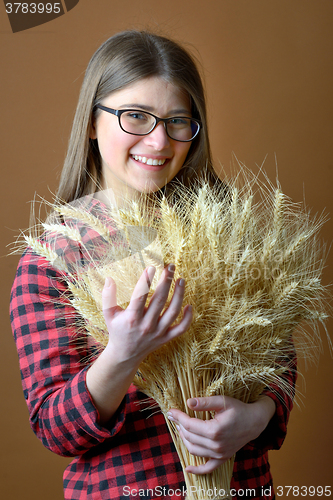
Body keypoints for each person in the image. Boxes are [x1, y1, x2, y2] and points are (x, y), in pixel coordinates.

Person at [10, 30, 296, 500]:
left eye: (177, 121)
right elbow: (55, 429)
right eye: (135, 116)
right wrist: (123, 354)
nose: (159, 140)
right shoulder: (54, 261)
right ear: (91, 122)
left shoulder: (228, 233)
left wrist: (258, 416)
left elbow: (278, 357)